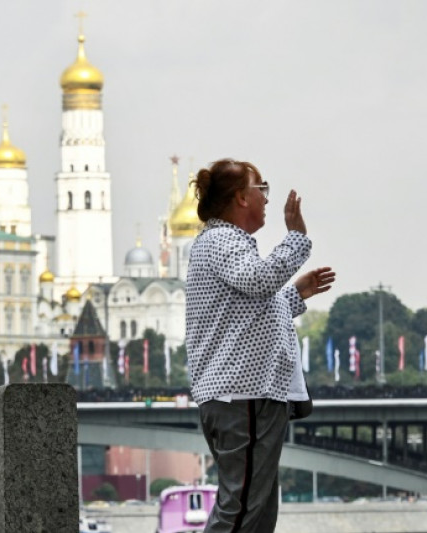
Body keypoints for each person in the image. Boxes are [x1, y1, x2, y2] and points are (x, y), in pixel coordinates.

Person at [185, 159, 335, 532]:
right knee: (242, 508)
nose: (266, 198)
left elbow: (251, 310)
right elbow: (259, 280)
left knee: (258, 509)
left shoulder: (225, 245)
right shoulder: (222, 241)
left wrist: (297, 294)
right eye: (261, 189)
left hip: (246, 395)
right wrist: (297, 237)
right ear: (240, 198)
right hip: (243, 396)